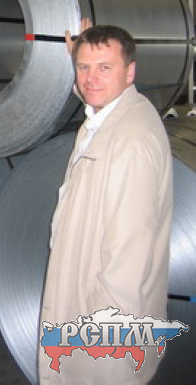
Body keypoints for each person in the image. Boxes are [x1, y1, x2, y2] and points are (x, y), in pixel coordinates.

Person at [39, 24, 173, 384]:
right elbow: (91, 91)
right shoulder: (111, 113)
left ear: (130, 72)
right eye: (83, 67)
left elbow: (127, 259)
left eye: (104, 68)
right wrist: (78, 56)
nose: (90, 79)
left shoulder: (130, 143)